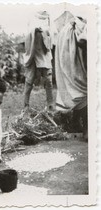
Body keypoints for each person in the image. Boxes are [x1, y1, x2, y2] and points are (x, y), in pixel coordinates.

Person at [54, 12, 87, 140]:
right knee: (83, 88)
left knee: (75, 87)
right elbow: (83, 41)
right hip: (74, 43)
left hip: (68, 43)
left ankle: (75, 121)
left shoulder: (65, 28)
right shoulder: (77, 26)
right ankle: (87, 129)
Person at [23, 11, 54, 111]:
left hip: (45, 57)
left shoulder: (48, 25)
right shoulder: (32, 25)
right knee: (29, 81)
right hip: (33, 56)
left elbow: (51, 42)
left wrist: (46, 32)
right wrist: (35, 31)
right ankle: (25, 106)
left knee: (49, 81)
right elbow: (28, 36)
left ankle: (50, 105)